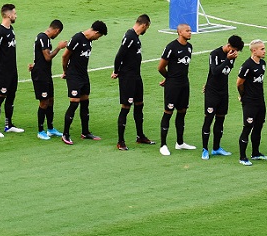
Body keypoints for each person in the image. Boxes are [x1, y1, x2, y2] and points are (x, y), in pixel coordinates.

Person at [61, 20, 108, 144]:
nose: (98, 38)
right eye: (99, 36)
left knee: (85, 102)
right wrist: (65, 71)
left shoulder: (89, 41)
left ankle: (85, 132)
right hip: (74, 76)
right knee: (74, 103)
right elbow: (65, 56)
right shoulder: (77, 38)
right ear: (96, 32)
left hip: (83, 76)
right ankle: (65, 134)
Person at [111, 14, 154, 150]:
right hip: (128, 77)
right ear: (144, 25)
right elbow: (119, 55)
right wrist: (116, 71)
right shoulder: (130, 36)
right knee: (126, 107)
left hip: (136, 76)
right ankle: (120, 141)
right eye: (147, 27)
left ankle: (140, 136)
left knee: (139, 105)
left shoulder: (135, 37)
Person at [200, 35, 244, 160]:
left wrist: (230, 59)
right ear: (228, 46)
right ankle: (205, 149)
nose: (235, 53)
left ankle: (216, 148)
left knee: (220, 119)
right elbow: (214, 71)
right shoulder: (215, 54)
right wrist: (226, 59)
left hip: (223, 92)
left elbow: (225, 72)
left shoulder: (232, 56)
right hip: (212, 92)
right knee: (209, 119)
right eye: (234, 49)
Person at [157, 23, 194, 156]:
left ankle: (180, 142)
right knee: (168, 112)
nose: (190, 32)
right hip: (173, 86)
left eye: (190, 30)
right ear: (179, 32)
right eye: (187, 31)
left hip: (184, 84)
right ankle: (163, 145)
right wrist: (169, 79)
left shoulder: (189, 47)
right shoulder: (171, 47)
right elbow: (160, 67)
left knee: (182, 111)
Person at [30, 20, 68, 140]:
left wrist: (34, 63)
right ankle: (40, 130)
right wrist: (59, 47)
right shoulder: (43, 37)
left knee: (50, 100)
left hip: (46, 74)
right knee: (44, 102)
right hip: (40, 75)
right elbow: (47, 57)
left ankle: (50, 129)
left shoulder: (44, 39)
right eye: (58, 33)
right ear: (56, 30)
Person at [0, 3, 21, 137]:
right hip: (3, 71)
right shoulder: (0, 31)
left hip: (12, 70)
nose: (16, 15)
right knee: (0, 98)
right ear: (8, 15)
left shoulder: (11, 29)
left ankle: (9, 125)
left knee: (11, 96)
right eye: (14, 13)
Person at [236, 39, 267, 166]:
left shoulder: (263, 64)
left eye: (264, 48)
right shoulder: (247, 65)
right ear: (254, 51)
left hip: (260, 100)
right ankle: (242, 157)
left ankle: (255, 153)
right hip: (249, 102)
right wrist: (242, 96)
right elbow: (239, 83)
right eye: (262, 49)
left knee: (259, 126)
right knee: (247, 127)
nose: (264, 51)